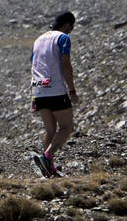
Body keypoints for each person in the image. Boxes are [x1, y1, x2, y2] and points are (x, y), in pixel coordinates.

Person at [28, 10, 78, 177]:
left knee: (50, 130)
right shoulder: (62, 38)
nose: (70, 31)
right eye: (71, 28)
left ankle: (48, 170)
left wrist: (34, 96)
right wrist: (72, 90)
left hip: (39, 89)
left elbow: (34, 66)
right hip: (55, 89)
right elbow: (65, 65)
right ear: (66, 25)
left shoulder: (37, 40)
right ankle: (47, 157)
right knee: (67, 127)